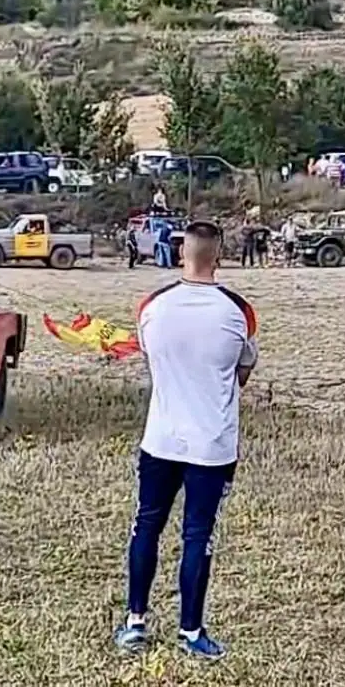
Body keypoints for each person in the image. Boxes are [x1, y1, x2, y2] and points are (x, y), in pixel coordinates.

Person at [115, 220, 259, 661]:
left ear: (182, 253)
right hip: (212, 446)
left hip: (160, 438)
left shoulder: (153, 307)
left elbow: (150, 358)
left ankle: (135, 622)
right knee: (199, 536)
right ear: (218, 256)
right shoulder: (238, 311)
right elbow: (244, 369)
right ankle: (191, 631)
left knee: (146, 526)